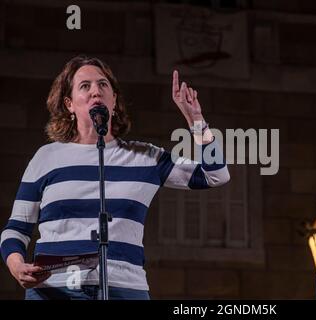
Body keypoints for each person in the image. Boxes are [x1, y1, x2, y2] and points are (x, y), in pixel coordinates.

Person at [0, 55, 230, 300]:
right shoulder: (46, 157)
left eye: (103, 85)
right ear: (69, 104)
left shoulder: (144, 157)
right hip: (54, 290)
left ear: (114, 100)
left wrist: (197, 123)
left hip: (125, 288)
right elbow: (16, 229)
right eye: (85, 86)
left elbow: (215, 174)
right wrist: (16, 266)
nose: (95, 92)